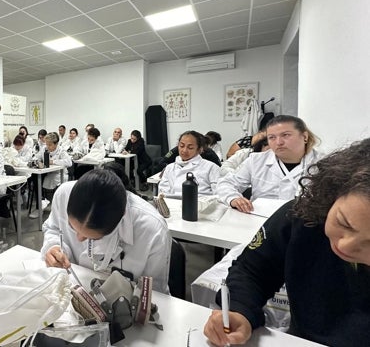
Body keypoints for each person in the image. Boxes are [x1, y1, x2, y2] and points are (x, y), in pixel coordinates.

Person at [203, 138, 370, 347]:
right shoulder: (303, 215)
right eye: (343, 222)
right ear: (335, 191)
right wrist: (240, 309)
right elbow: (252, 269)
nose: (345, 245)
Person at [41, 169, 171, 292]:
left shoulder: (153, 231)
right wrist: (54, 246)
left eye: (93, 238)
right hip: (70, 289)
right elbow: (53, 228)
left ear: (121, 217)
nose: (79, 238)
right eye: (71, 226)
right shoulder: (64, 195)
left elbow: (154, 293)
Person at [217, 115, 320, 212]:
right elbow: (227, 183)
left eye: (286, 135)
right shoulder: (256, 160)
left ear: (305, 136)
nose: (279, 142)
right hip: (261, 220)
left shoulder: (323, 162)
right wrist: (233, 198)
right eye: (272, 137)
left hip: (305, 222)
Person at [157, 131, 220, 198]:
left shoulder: (211, 167)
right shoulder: (170, 168)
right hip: (172, 205)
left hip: (200, 205)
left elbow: (219, 194)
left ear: (200, 149)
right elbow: (163, 194)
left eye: (190, 148)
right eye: (181, 146)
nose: (184, 150)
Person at [28, 132, 73, 219]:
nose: (47, 146)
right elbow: (36, 157)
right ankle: (39, 206)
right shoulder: (45, 148)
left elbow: (69, 162)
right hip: (47, 173)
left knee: (47, 181)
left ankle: (56, 209)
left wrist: (53, 161)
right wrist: (37, 161)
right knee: (35, 178)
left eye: (50, 144)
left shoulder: (61, 151)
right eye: (46, 144)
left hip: (59, 174)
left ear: (56, 144)